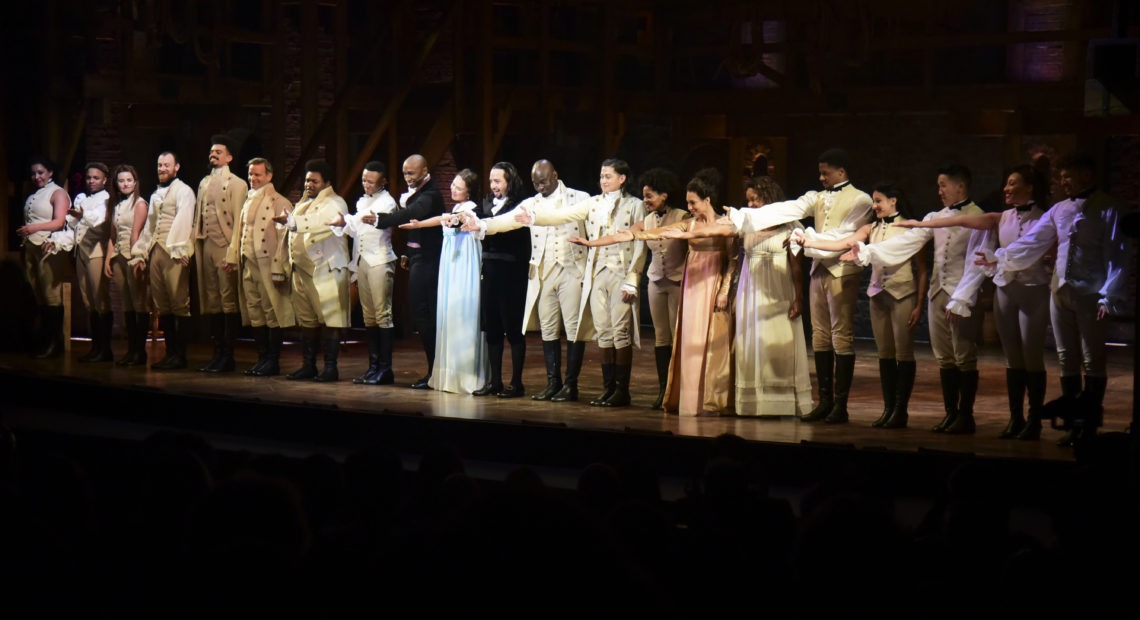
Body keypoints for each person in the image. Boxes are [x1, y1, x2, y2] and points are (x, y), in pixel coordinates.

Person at [978, 154, 1131, 447]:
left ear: (1086, 175)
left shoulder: (1110, 208)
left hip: (1091, 292)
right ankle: (1073, 425)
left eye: (1068, 176)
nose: (1062, 182)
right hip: (1060, 290)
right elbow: (1033, 240)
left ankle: (1089, 426)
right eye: (1061, 177)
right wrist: (999, 258)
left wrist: (1109, 295)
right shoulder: (1059, 209)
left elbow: (1118, 253)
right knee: (1066, 357)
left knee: (1092, 358)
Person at [893, 164, 1051, 439]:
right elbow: (958, 221)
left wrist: (970, 288)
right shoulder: (1002, 218)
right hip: (1005, 291)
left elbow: (1025, 250)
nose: (1006, 188)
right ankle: (1015, 419)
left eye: (1013, 183)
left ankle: (1033, 420)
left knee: (1031, 357)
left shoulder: (1045, 219)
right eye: (1006, 183)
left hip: (1032, 291)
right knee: (1012, 358)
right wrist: (921, 223)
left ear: (1030, 187)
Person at [721, 148, 874, 424]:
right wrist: (743, 215)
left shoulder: (861, 200)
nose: (821, 177)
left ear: (841, 171)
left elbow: (843, 235)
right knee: (820, 337)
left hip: (842, 270)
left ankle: (840, 405)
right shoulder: (815, 196)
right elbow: (788, 208)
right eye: (820, 172)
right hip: (818, 269)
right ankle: (825, 401)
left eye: (826, 172)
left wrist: (809, 239)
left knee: (841, 336)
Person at [842, 164, 991, 434]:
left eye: (943, 185)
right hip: (938, 292)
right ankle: (951, 414)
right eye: (938, 186)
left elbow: (977, 262)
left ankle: (965, 416)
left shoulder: (979, 217)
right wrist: (868, 252)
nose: (939, 191)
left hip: (961, 295)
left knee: (964, 356)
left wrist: (964, 297)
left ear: (960, 186)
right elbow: (907, 243)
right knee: (945, 358)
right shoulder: (935, 216)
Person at [578, 168, 735, 416]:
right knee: (666, 338)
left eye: (693, 202)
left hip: (691, 280)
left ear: (706, 200)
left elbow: (726, 245)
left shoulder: (694, 219)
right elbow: (636, 234)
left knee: (694, 338)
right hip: (668, 282)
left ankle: (705, 393)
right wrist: (592, 243)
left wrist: (723, 288)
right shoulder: (670, 220)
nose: (645, 201)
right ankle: (669, 390)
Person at [511, 158, 647, 407]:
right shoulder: (593, 203)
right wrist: (533, 217)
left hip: (620, 271)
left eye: (608, 176)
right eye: (601, 176)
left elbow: (640, 245)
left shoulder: (635, 205)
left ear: (622, 178)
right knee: (604, 332)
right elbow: (561, 215)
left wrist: (633, 279)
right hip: (596, 273)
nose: (603, 180)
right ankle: (608, 389)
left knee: (620, 332)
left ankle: (621, 389)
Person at [793, 181, 928, 427]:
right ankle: (889, 409)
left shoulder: (911, 228)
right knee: (885, 354)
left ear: (893, 201)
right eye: (874, 201)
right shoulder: (870, 228)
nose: (874, 206)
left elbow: (921, 269)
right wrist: (809, 243)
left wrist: (920, 304)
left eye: (878, 201)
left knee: (903, 353)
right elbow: (844, 242)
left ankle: (900, 410)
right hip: (878, 295)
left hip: (902, 294)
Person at [465, 159, 592, 402]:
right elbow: (505, 221)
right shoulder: (530, 203)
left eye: (544, 181)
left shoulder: (579, 197)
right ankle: (552, 382)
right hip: (542, 272)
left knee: (573, 328)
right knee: (548, 328)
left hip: (571, 269)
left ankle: (571, 384)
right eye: (535, 182)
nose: (540, 186)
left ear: (555, 175)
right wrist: (480, 224)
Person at [399, 168, 489, 393]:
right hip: (451, 269)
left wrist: (458, 219)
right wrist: (418, 225)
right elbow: (442, 218)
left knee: (463, 316)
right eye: (453, 185)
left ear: (469, 191)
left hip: (464, 270)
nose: (453, 189)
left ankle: (465, 375)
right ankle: (448, 375)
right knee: (448, 317)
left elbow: (463, 221)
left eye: (458, 187)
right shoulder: (456, 209)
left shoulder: (472, 211)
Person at [371, 154, 445, 389]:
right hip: (417, 259)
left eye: (412, 173)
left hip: (429, 262)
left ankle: (435, 372)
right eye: (405, 173)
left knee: (425, 317)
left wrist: (378, 220)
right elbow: (414, 232)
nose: (408, 178)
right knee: (421, 316)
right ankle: (433, 372)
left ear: (425, 170)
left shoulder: (430, 195)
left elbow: (410, 216)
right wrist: (406, 252)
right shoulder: (417, 194)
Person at [278, 159, 350, 382]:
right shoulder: (302, 203)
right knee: (307, 321)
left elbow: (320, 222)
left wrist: (292, 221)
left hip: (325, 269)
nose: (309, 184)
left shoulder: (335, 202)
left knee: (330, 319)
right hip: (300, 270)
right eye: (307, 180)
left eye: (314, 181)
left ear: (326, 182)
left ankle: (331, 367)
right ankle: (308, 365)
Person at [223, 157, 295, 377]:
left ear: (269, 176)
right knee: (255, 311)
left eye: (258, 175)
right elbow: (239, 231)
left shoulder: (279, 201)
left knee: (271, 311)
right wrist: (233, 257)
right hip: (248, 263)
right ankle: (262, 358)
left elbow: (286, 240)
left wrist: (280, 268)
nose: (253, 178)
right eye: (251, 174)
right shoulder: (247, 201)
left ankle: (273, 361)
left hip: (267, 264)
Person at [330, 160, 400, 385]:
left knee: (382, 314)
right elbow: (354, 229)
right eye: (364, 180)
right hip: (362, 261)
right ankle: (373, 367)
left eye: (371, 181)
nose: (366, 184)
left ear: (383, 181)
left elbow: (366, 224)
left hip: (379, 260)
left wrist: (347, 220)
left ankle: (385, 369)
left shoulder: (387, 202)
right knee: (369, 316)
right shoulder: (362, 201)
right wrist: (343, 224)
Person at [133, 151, 197, 370]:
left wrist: (181, 250)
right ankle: (170, 353)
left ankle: (180, 355)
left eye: (166, 165)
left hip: (174, 251)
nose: (162, 169)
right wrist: (141, 252)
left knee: (179, 303)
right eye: (160, 165)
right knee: (163, 305)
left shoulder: (184, 191)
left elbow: (185, 220)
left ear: (176, 167)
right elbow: (151, 226)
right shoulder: (155, 194)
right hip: (156, 251)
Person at [472, 162, 530, 398]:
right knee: (492, 327)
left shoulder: (520, 206)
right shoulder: (485, 204)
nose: (493, 185)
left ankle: (516, 383)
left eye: (498, 181)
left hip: (512, 272)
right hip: (490, 270)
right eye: (491, 181)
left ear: (509, 181)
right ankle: (495, 381)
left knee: (513, 328)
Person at [635, 168, 689, 410]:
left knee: (679, 335)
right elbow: (636, 242)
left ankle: (679, 390)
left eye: (649, 196)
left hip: (677, 280)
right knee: (660, 337)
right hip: (656, 281)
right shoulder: (646, 220)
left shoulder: (682, 216)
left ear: (664, 195)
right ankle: (662, 390)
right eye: (644, 196)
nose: (645, 201)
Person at [194, 134, 248, 373]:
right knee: (212, 299)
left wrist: (233, 253)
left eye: (218, 152)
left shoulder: (237, 183)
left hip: (225, 244)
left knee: (228, 300)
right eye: (211, 151)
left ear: (229, 157)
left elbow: (239, 222)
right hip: (206, 244)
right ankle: (217, 354)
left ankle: (228, 355)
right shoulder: (204, 182)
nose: (213, 154)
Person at [16, 155, 74, 358]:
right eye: (33, 173)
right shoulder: (34, 194)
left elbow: (59, 221)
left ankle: (55, 342)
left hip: (49, 247)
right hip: (32, 247)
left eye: (40, 172)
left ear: (50, 172)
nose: (36, 176)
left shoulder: (57, 192)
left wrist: (34, 227)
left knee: (51, 295)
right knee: (39, 293)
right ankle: (45, 339)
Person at [104, 164, 151, 366]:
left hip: (133, 256)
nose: (125, 184)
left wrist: (136, 259)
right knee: (127, 304)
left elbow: (135, 234)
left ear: (135, 182)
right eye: (121, 180)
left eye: (129, 180)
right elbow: (113, 236)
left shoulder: (139, 204)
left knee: (139, 303)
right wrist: (108, 259)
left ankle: (140, 352)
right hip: (118, 256)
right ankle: (131, 350)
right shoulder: (115, 205)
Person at [68, 162, 113, 362]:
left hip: (97, 252)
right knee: (89, 301)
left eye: (96, 178)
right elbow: (74, 225)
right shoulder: (84, 198)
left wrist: (81, 214)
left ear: (104, 179)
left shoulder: (106, 199)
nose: (91, 181)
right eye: (89, 177)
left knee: (100, 299)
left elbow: (97, 219)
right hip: (81, 251)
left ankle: (105, 349)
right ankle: (96, 347)